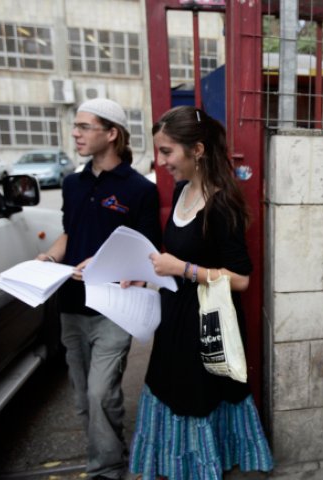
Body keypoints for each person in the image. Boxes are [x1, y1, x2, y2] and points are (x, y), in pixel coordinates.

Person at [128, 106, 273, 479]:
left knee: (197, 398)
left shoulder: (221, 203)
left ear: (197, 150)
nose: (161, 162)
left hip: (206, 324)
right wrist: (145, 275)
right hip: (174, 319)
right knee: (169, 389)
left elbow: (241, 279)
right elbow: (173, 260)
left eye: (167, 152)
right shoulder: (180, 191)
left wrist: (183, 269)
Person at [37, 98, 161, 480]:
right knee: (82, 397)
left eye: (84, 126)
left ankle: (107, 470)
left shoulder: (139, 189)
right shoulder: (73, 183)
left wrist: (105, 265)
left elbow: (147, 254)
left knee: (100, 393)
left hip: (114, 308)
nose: (75, 133)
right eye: (75, 126)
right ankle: (106, 455)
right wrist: (50, 258)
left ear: (111, 133)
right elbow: (70, 234)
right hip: (70, 305)